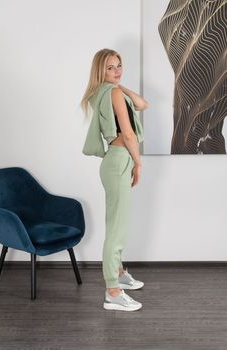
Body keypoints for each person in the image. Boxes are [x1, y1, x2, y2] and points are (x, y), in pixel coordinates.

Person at [81, 48, 149, 311]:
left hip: (114, 160)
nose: (117, 71)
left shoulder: (104, 92)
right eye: (110, 67)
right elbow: (129, 134)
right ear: (100, 70)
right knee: (116, 230)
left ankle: (119, 272)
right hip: (121, 159)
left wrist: (118, 85)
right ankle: (112, 290)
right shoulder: (113, 93)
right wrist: (139, 164)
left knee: (116, 222)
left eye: (119, 65)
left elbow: (142, 104)